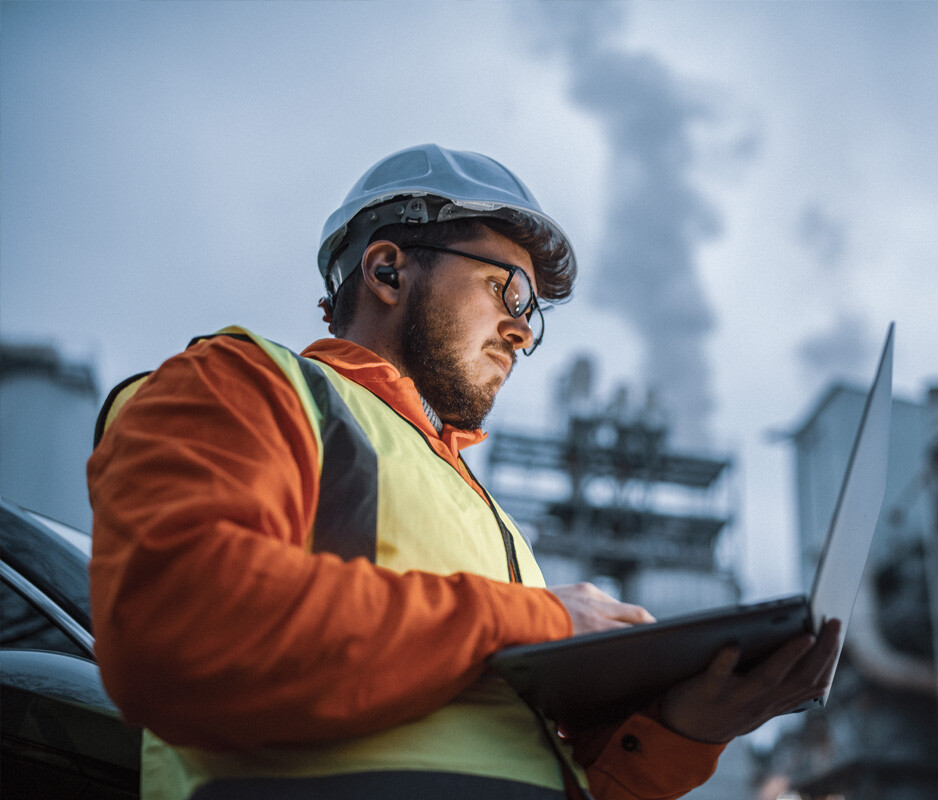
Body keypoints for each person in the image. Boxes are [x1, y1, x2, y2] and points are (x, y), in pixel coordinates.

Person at [88, 143, 840, 800]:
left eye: (534, 314)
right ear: (387, 269)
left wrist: (684, 731)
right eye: (506, 290)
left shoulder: (490, 521)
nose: (521, 329)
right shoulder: (245, 384)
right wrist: (539, 619)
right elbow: (179, 626)